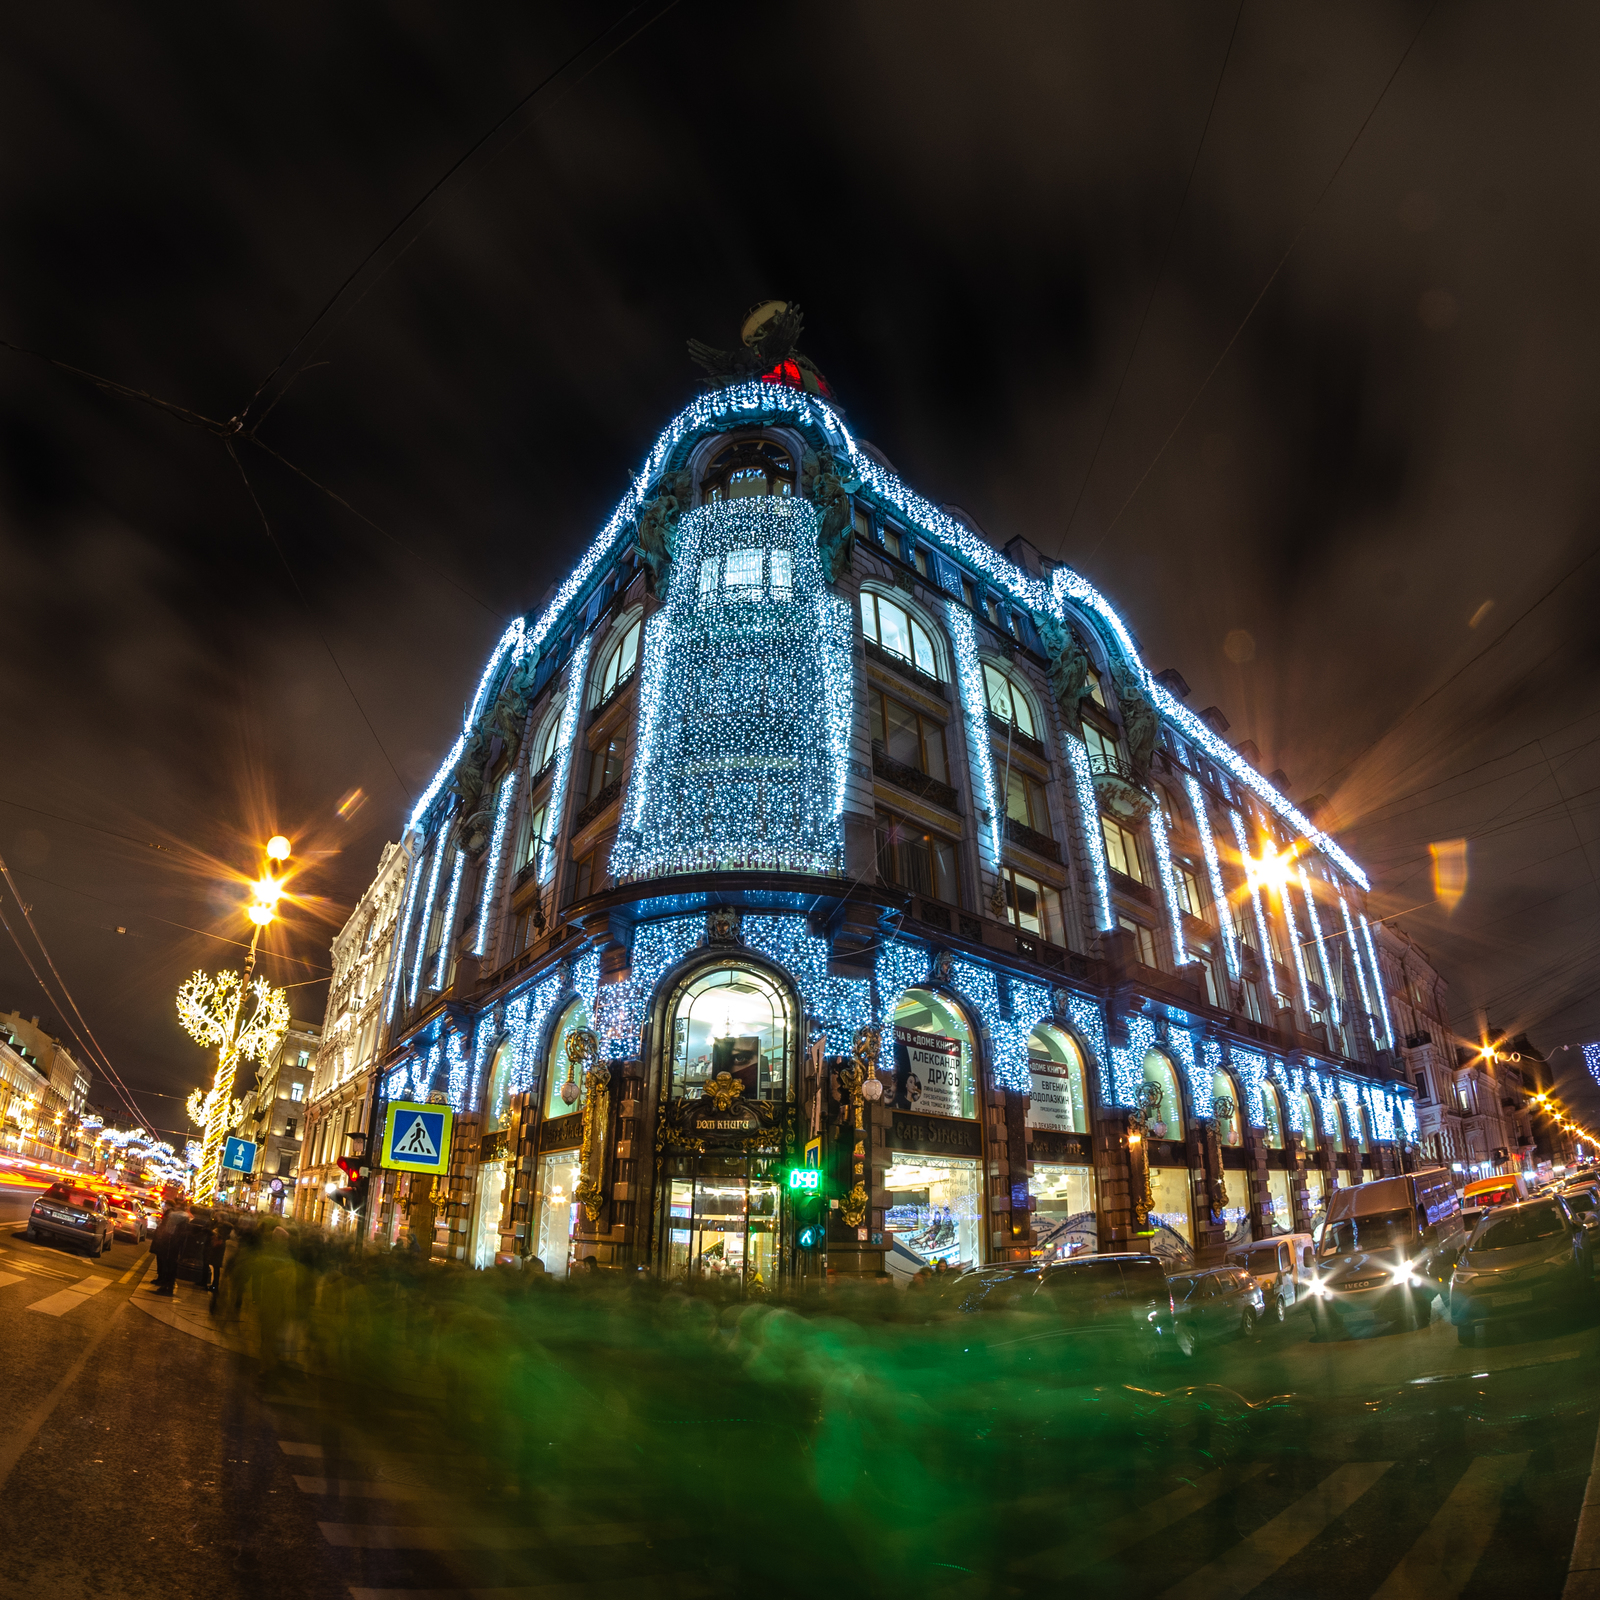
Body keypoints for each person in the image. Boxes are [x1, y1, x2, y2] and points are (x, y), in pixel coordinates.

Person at [148, 1202, 192, 1297]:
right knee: (172, 1266)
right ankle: (169, 1286)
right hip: (176, 1247)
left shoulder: (173, 1219)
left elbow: (167, 1231)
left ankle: (165, 1286)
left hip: (170, 1245)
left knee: (167, 1265)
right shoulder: (184, 1220)